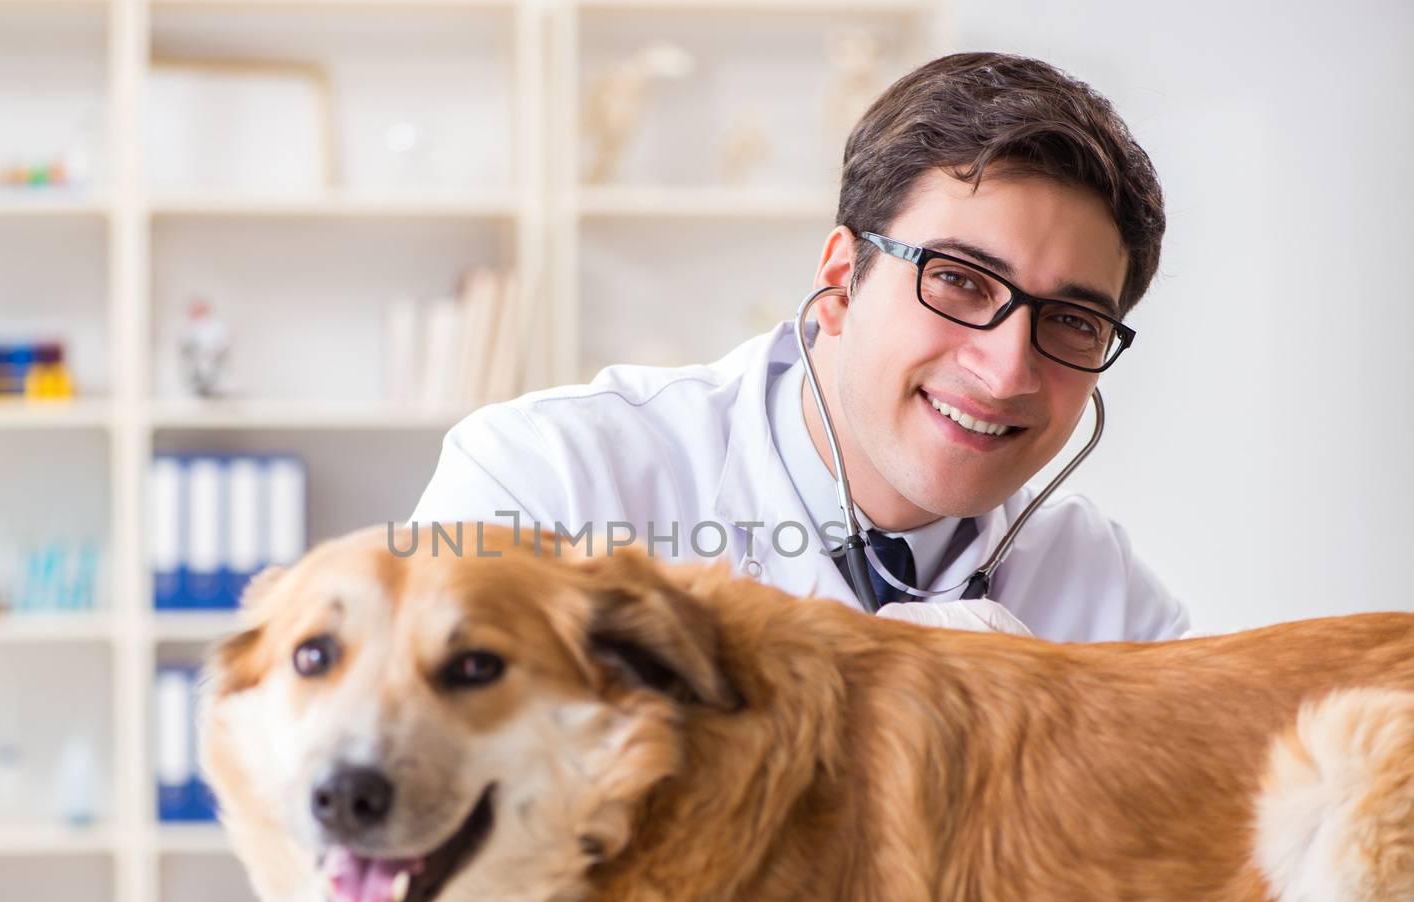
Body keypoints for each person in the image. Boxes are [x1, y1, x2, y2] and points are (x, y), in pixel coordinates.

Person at [410, 51, 1189, 643]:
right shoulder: (547, 482)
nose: (1006, 368)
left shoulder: (1106, 600)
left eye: (1072, 322)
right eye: (959, 281)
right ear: (844, 278)